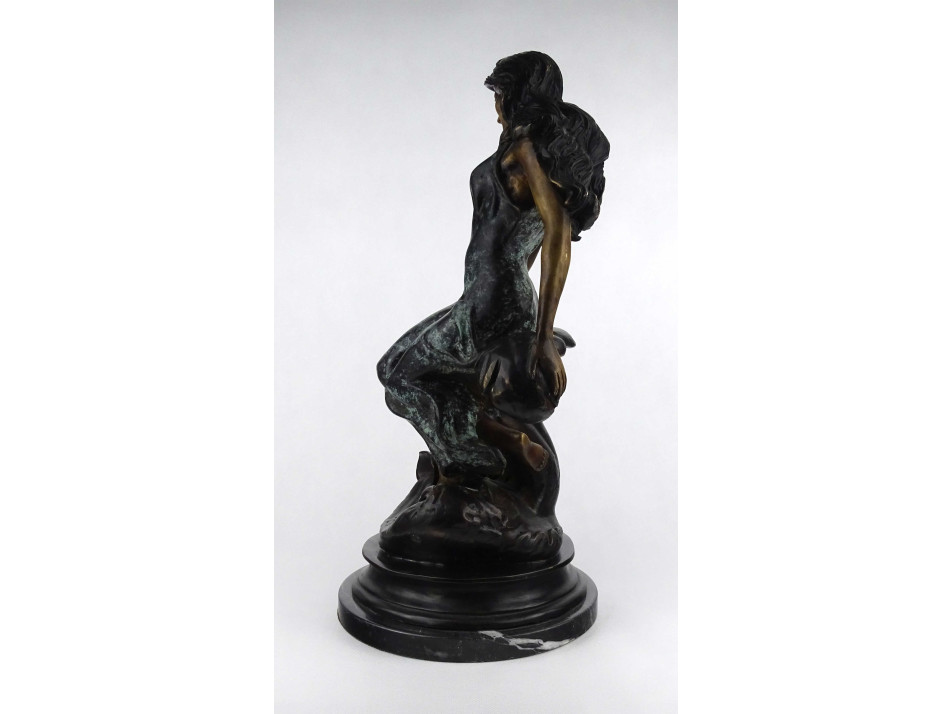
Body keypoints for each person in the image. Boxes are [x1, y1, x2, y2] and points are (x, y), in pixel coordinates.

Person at [377, 51, 610, 484]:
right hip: (487, 295)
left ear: (518, 96)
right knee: (397, 370)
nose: (496, 107)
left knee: (399, 380)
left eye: (500, 95)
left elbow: (556, 231)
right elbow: (527, 240)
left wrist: (542, 335)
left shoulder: (525, 151)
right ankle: (496, 440)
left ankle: (471, 463)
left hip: (493, 298)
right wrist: (528, 313)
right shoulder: (524, 152)